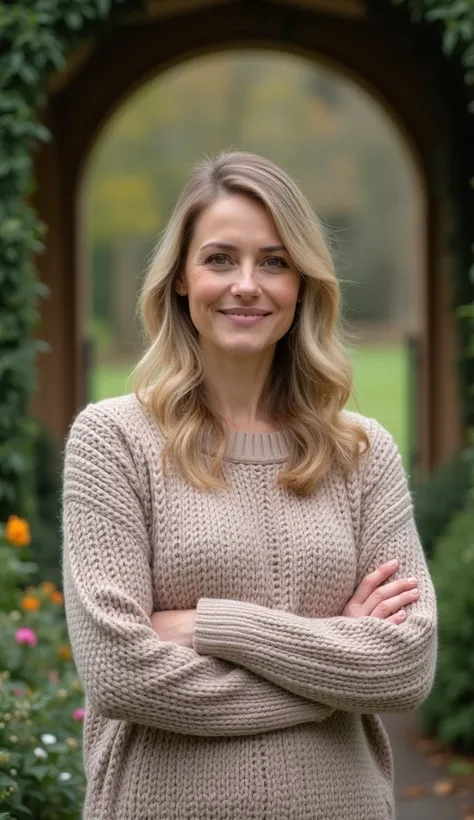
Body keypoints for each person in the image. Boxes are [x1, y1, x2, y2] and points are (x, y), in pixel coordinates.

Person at [62, 151, 437, 820]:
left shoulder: (361, 451)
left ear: (302, 282)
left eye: (273, 261)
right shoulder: (113, 442)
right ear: (180, 278)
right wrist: (333, 660)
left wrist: (211, 625)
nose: (247, 285)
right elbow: (119, 674)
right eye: (219, 259)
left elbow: (404, 667)